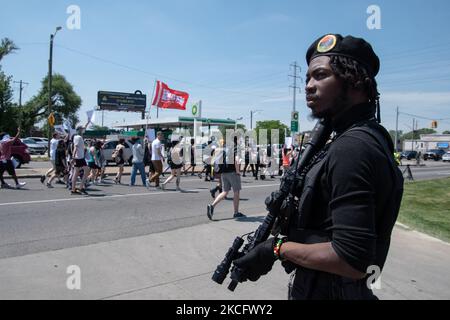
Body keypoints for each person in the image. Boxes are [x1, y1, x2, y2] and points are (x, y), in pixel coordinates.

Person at [231, 34, 404, 300]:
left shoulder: (352, 147)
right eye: (308, 78)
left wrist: (276, 249)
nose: (309, 86)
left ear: (355, 80)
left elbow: (352, 260)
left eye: (321, 75)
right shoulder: (362, 136)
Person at [207, 137, 245, 220]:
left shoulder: (225, 147)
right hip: (232, 172)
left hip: (223, 172)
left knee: (225, 191)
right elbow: (237, 160)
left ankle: (212, 206)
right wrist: (238, 171)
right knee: (236, 192)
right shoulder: (235, 147)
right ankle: (236, 212)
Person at [71, 123, 90, 194]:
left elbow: (76, 147)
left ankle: (74, 189)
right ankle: (81, 187)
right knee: (87, 170)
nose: (83, 130)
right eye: (82, 129)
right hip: (79, 158)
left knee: (76, 173)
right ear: (79, 130)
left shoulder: (76, 137)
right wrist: (73, 157)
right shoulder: (78, 137)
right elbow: (75, 147)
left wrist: (87, 122)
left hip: (79, 157)